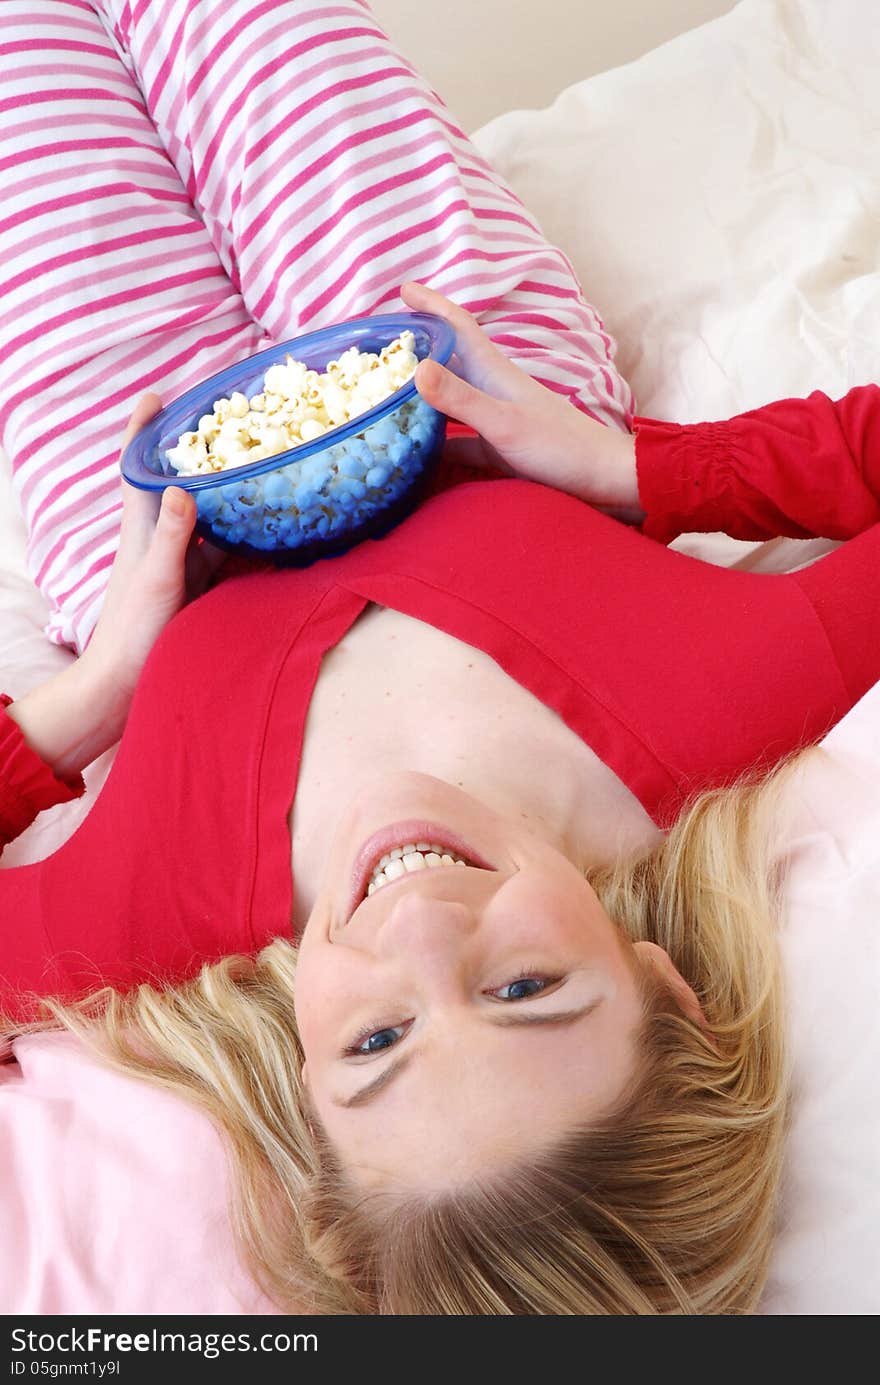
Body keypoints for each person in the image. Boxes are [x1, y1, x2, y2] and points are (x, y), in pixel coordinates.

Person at [2, 0, 880, 1317]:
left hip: (134, 503)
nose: (420, 932)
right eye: (524, 986)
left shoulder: (166, 920)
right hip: (444, 361)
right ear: (664, 987)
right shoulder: (714, 714)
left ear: (305, 1078)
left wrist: (84, 707)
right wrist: (641, 470)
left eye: (377, 1040)